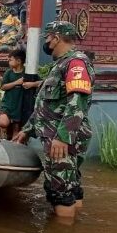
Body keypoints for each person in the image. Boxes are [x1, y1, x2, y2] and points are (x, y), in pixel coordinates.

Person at [13, 21, 95, 220]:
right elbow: (47, 105)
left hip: (62, 139)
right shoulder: (61, 64)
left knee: (61, 191)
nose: (46, 42)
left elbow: (78, 102)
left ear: (56, 38)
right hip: (58, 135)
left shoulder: (76, 63)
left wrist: (63, 137)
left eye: (48, 38)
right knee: (69, 185)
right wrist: (27, 130)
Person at [0, 48, 26, 139]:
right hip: (7, 104)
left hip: (20, 105)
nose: (8, 62)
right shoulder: (9, 72)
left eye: (10, 60)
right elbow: (3, 87)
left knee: (16, 130)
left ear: (19, 61)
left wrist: (32, 84)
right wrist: (16, 83)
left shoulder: (27, 72)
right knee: (3, 123)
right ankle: (4, 133)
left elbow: (40, 82)